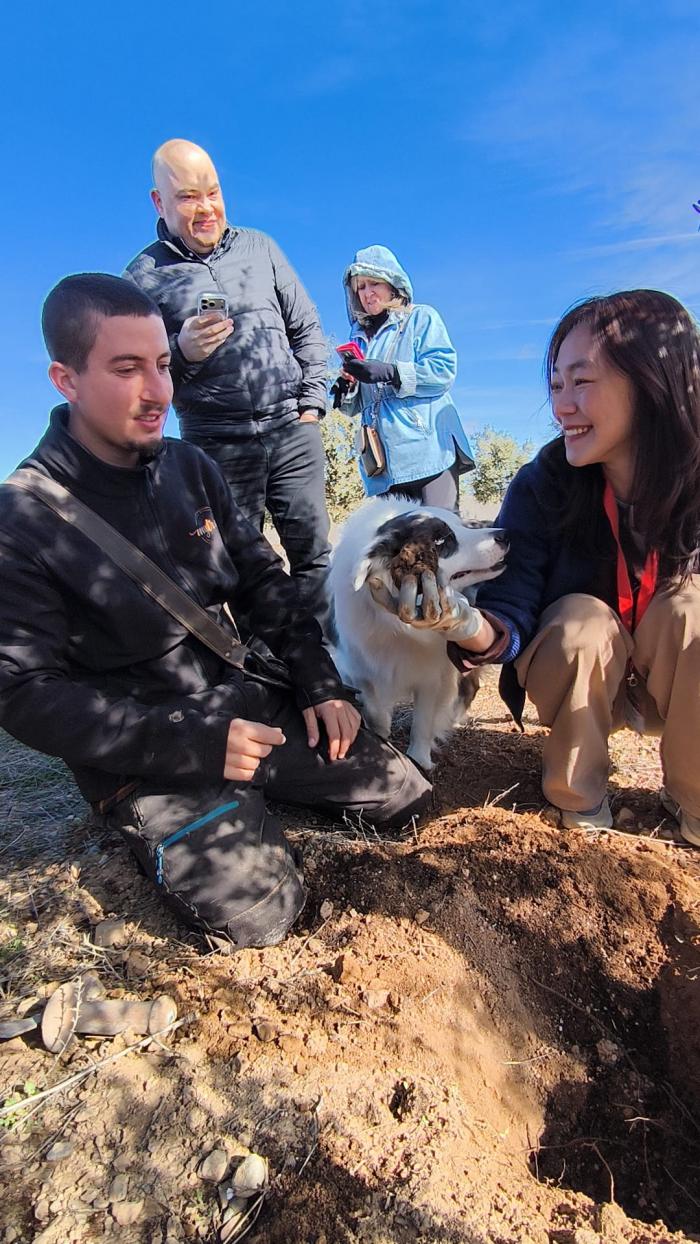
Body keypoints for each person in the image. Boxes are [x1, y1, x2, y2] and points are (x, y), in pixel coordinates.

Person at [0, 274, 431, 948]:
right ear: (67, 379)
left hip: (242, 700)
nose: (159, 391)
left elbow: (263, 581)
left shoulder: (190, 467)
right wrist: (183, 742)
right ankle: (200, 813)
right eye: (127, 368)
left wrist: (316, 682)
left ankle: (265, 784)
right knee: (262, 914)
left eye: (164, 365)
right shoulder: (21, 517)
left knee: (402, 794)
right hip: (149, 746)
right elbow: (23, 693)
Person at [427, 289, 700, 843]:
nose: (561, 406)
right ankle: (578, 800)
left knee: (691, 608)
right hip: (582, 679)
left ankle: (695, 799)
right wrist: (467, 626)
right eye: (556, 385)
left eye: (581, 382)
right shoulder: (544, 484)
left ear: (652, 380)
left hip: (677, 680)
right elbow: (513, 603)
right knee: (579, 620)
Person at [124, 139, 331, 624]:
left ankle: (331, 677)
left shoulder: (261, 248)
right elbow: (137, 379)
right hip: (216, 445)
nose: (205, 209)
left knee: (315, 561)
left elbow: (307, 327)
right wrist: (182, 352)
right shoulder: (140, 279)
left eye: (212, 193)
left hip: (291, 429)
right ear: (159, 202)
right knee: (239, 567)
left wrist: (313, 402)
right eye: (187, 197)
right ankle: (271, 682)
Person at [331, 245, 474, 511]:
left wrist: (392, 372)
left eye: (374, 283)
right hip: (382, 465)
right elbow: (354, 408)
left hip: (428, 452)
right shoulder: (357, 337)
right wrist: (347, 389)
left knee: (442, 538)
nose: (367, 293)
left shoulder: (421, 318)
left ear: (392, 283)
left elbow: (443, 371)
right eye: (360, 287)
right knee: (396, 548)